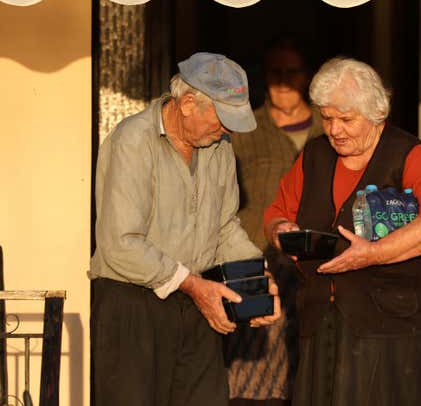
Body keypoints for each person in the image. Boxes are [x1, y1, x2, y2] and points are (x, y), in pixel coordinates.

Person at [264, 57, 421, 405]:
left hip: (392, 326)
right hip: (322, 318)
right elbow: (276, 214)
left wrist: (373, 253)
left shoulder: (409, 155)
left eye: (346, 119)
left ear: (376, 115)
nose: (335, 130)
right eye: (327, 118)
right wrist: (283, 231)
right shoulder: (314, 155)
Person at [90, 52, 281, 406]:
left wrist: (259, 279)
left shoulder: (218, 147)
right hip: (133, 306)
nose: (227, 130)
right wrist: (193, 285)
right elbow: (120, 243)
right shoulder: (133, 140)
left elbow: (224, 227)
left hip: (196, 302)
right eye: (223, 119)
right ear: (189, 103)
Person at [225, 37, 323, 405]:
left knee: (311, 368)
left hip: (314, 265)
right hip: (253, 260)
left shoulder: (330, 132)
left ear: (307, 76)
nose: (283, 80)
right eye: (275, 72)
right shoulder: (244, 132)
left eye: (292, 72)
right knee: (252, 375)